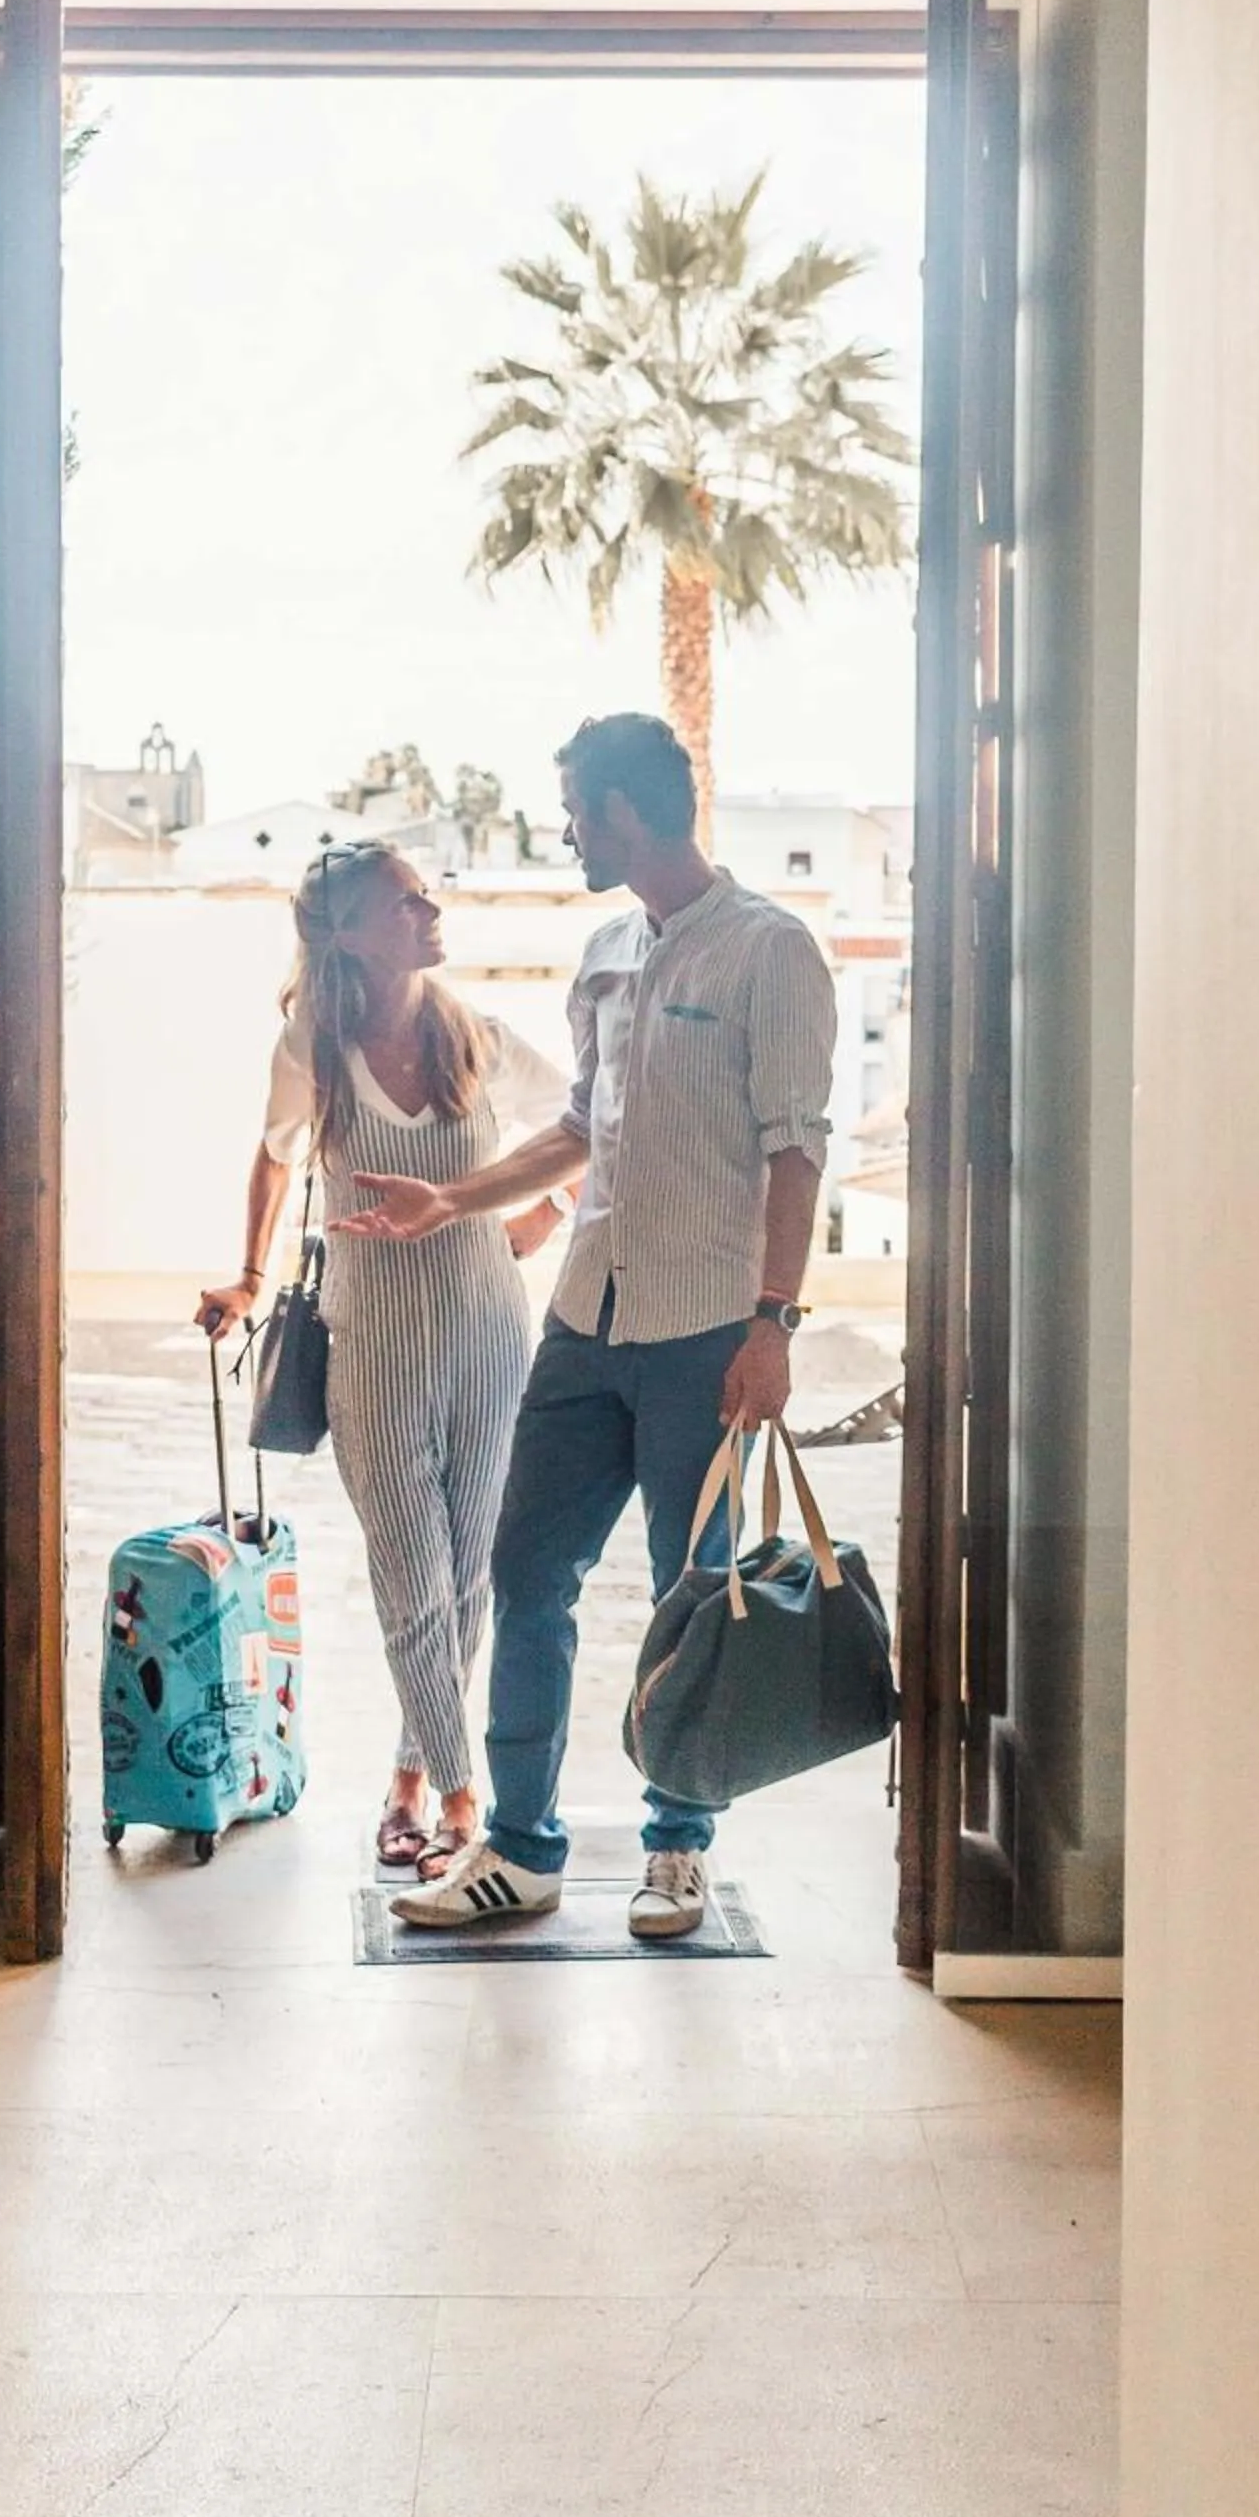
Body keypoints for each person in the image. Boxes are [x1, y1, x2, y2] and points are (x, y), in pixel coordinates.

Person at [338, 714, 836, 1943]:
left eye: (572, 811)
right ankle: (518, 1848)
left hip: (705, 1330)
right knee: (523, 1572)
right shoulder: (606, 950)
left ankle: (678, 1846)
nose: (562, 831)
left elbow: (796, 1153)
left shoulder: (773, 954)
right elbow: (578, 1129)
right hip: (582, 1320)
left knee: (691, 1593)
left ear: (623, 813)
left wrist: (770, 1327)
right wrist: (450, 1199)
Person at [200, 843, 570, 1881]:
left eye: (426, 893)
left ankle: (410, 1779)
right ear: (348, 933)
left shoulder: (478, 1038)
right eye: (404, 900)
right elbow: (275, 1154)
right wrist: (245, 1275)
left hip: (490, 1330)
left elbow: (592, 1124)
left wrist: (543, 1212)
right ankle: (462, 1805)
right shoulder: (312, 1047)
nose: (427, 907)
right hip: (371, 1337)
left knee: (466, 1578)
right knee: (412, 1571)